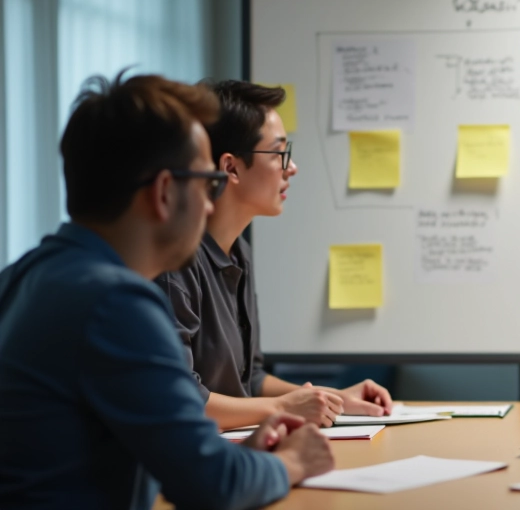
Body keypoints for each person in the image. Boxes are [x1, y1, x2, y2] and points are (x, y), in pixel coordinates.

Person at [0, 72, 334, 509]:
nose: (212, 204)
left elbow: (171, 459)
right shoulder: (115, 303)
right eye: (205, 184)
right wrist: (293, 462)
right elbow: (210, 485)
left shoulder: (24, 276)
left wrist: (242, 460)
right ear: (164, 192)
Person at [155, 81, 392, 431]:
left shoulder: (240, 252)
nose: (291, 167)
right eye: (279, 153)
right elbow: (180, 397)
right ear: (231, 168)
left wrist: (333, 398)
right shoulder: (176, 264)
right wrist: (283, 407)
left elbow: (250, 379)